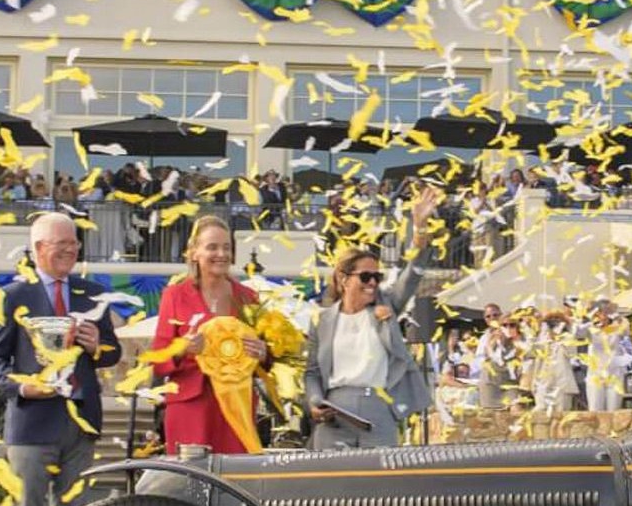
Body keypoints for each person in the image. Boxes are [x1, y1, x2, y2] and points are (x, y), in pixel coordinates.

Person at [0, 212, 122, 506]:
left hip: (80, 424)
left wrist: (97, 346)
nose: (70, 251)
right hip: (31, 424)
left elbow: (112, 353)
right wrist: (23, 387)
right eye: (62, 244)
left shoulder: (91, 294)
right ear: (39, 248)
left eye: (74, 243)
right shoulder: (11, 296)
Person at [303, 186, 438, 449]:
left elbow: (414, 273)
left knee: (381, 487)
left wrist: (419, 227)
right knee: (332, 486)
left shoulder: (386, 306)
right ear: (343, 279)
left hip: (379, 413)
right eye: (365, 276)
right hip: (334, 416)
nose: (373, 283)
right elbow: (312, 372)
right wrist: (315, 402)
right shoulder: (323, 319)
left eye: (377, 277)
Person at [151, 216, 271, 454]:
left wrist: (264, 354)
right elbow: (158, 360)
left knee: (234, 482)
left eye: (227, 247)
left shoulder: (249, 297)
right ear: (194, 252)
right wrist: (183, 348)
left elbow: (265, 359)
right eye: (212, 247)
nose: (222, 254)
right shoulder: (174, 295)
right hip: (189, 407)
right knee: (189, 485)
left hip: (236, 407)